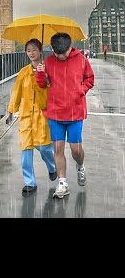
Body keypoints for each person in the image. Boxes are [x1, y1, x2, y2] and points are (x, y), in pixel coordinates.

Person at [35, 32, 95, 199]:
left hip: (75, 111)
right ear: (53, 50)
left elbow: (90, 79)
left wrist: (80, 90)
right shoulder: (47, 62)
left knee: (75, 149)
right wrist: (40, 73)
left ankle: (80, 165)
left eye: (64, 53)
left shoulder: (81, 60)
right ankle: (62, 183)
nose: (60, 57)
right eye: (57, 54)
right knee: (58, 149)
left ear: (70, 48)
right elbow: (42, 85)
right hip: (54, 112)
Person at [3, 38, 57, 195]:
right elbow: (16, 93)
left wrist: (44, 78)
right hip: (26, 115)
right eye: (28, 50)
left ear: (40, 51)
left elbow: (52, 92)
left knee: (44, 147)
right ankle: (30, 182)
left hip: (42, 115)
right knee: (26, 149)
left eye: (34, 49)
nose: (31, 53)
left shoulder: (49, 70)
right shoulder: (23, 73)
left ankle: (52, 166)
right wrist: (10, 111)